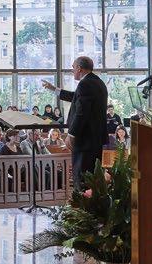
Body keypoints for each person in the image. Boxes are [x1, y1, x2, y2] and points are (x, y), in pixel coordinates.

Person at [43, 55, 109, 187]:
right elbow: (75, 97)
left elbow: (81, 112)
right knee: (92, 177)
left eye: (73, 67)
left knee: (82, 177)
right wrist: (54, 89)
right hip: (94, 139)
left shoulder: (85, 84)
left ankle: (83, 200)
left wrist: (71, 134)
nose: (72, 70)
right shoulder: (97, 82)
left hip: (85, 140)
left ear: (79, 68)